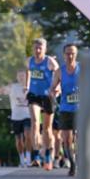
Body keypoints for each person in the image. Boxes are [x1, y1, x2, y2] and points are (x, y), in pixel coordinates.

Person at [25, 37, 58, 170]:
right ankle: (36, 156)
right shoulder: (30, 60)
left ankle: (49, 154)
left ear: (45, 49)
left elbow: (58, 73)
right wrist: (26, 86)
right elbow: (28, 71)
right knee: (34, 123)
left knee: (47, 128)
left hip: (47, 96)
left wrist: (56, 87)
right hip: (34, 95)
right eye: (36, 48)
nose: (38, 50)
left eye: (40, 48)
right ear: (33, 48)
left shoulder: (49, 61)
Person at [50, 43, 80, 177]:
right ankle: (73, 165)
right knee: (67, 139)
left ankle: (80, 161)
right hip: (66, 109)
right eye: (67, 53)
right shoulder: (59, 71)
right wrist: (55, 92)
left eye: (72, 53)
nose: (70, 56)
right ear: (64, 55)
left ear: (76, 54)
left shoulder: (82, 69)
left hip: (81, 109)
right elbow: (52, 89)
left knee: (79, 138)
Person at [0, 70, 31, 167]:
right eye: (19, 76)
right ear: (16, 77)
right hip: (16, 117)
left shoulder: (31, 87)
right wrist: (5, 86)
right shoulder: (13, 87)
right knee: (19, 139)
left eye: (23, 76)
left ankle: (28, 158)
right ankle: (21, 159)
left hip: (28, 116)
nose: (21, 78)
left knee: (27, 135)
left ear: (27, 76)